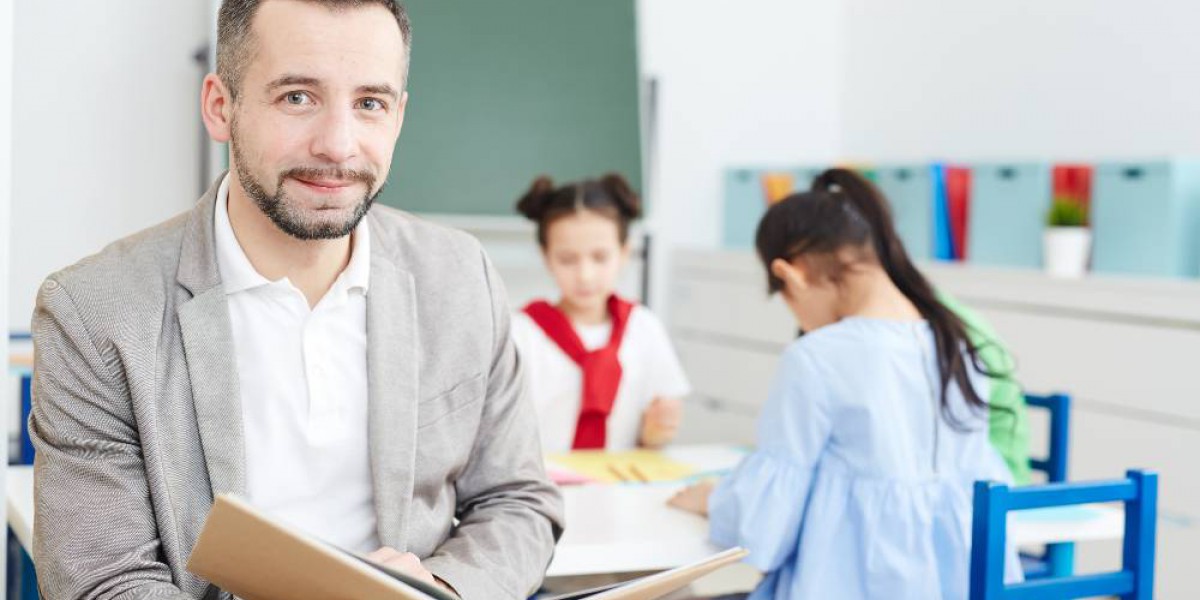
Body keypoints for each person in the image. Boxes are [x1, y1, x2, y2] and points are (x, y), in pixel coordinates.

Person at [30, 1, 561, 598]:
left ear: (399, 116)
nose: (338, 145)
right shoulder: (93, 314)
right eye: (297, 97)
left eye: (369, 104)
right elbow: (102, 580)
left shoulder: (461, 278)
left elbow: (517, 502)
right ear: (219, 106)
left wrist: (440, 587)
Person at [669, 168, 1020, 599]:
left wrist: (714, 500)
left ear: (790, 275)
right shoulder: (956, 343)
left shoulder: (818, 357)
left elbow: (766, 531)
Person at [511, 174, 689, 452]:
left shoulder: (643, 327)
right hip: (541, 487)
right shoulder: (520, 333)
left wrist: (657, 431)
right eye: (567, 259)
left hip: (619, 488)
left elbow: (653, 442)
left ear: (624, 252)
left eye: (600, 257)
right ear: (546, 257)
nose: (585, 275)